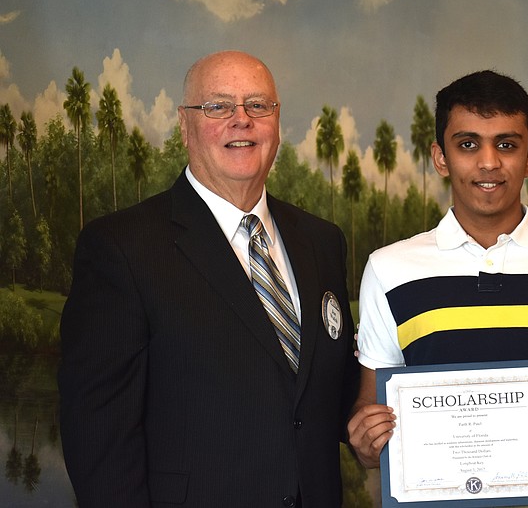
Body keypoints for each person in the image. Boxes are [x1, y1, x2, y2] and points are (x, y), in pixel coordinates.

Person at [58, 50, 360, 508]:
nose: (242, 120)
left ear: (276, 122)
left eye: (258, 105)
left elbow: (324, 396)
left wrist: (371, 425)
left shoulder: (322, 241)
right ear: (185, 125)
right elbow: (98, 440)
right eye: (218, 106)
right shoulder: (121, 248)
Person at [347, 70, 528, 507]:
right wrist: (365, 439)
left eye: (506, 144)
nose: (488, 162)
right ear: (440, 157)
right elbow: (369, 408)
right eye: (468, 144)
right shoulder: (390, 269)